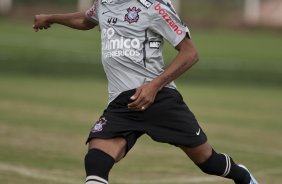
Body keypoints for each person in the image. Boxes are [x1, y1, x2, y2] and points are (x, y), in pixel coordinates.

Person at [33, 0, 258, 184]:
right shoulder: (103, 3)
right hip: (122, 104)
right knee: (96, 161)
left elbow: (190, 53)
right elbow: (85, 20)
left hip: (160, 99)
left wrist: (154, 85)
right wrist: (51, 18)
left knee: (208, 162)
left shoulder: (155, 7)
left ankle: (243, 176)